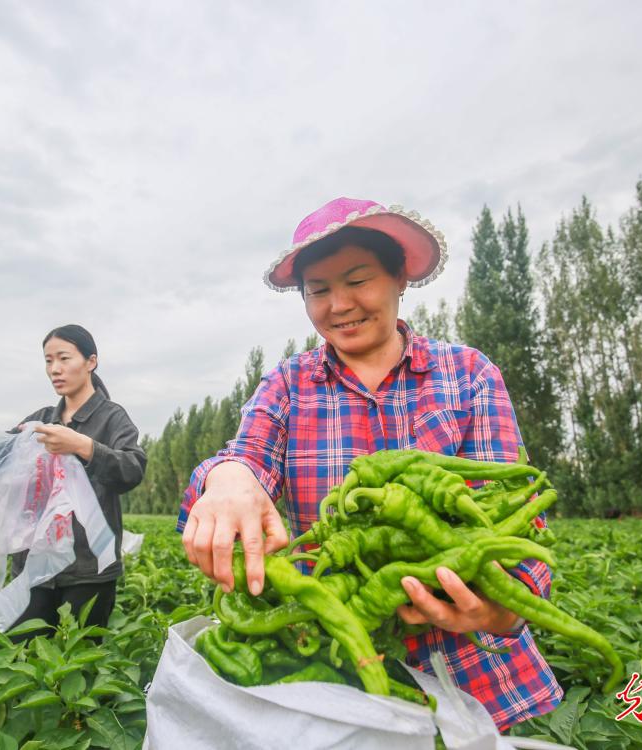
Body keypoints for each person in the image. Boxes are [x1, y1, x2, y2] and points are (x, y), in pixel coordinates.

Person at [177, 197, 563, 730]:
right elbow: (245, 458)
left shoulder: (467, 374)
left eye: (358, 281)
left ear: (399, 277)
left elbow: (517, 516)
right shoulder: (288, 385)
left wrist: (503, 608)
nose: (339, 305)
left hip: (475, 675)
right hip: (337, 667)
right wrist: (228, 478)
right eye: (318, 291)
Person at [8, 324, 146, 633]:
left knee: (81, 662)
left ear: (91, 362)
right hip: (34, 567)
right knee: (23, 652)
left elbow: (133, 468)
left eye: (63, 358)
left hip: (88, 569)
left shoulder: (112, 418)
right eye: (48, 360)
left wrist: (84, 447)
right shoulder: (40, 421)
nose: (54, 369)